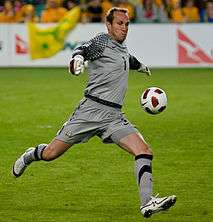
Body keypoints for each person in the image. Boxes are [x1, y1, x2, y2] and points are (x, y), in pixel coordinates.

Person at [12, 7, 176, 218]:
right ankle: (30, 155)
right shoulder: (102, 41)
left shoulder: (121, 48)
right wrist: (77, 59)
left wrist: (140, 65)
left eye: (127, 24)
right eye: (119, 23)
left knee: (144, 151)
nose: (124, 28)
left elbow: (128, 59)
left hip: (114, 117)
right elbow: (83, 49)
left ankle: (147, 203)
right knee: (51, 153)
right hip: (89, 112)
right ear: (108, 25)